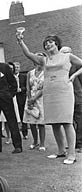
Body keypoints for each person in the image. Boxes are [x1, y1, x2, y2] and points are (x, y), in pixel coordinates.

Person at [16, 33, 82, 165]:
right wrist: (21, 41)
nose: (48, 44)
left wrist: (74, 75)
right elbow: (28, 54)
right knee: (55, 123)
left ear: (57, 43)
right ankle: (61, 151)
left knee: (67, 122)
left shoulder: (67, 56)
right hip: (49, 93)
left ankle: (72, 154)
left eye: (50, 42)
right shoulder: (44, 60)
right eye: (46, 43)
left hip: (64, 91)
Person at [60, 47, 82, 153]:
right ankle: (73, 143)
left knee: (80, 121)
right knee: (69, 122)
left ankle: (80, 143)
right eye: (62, 53)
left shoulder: (77, 66)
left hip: (78, 98)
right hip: (66, 98)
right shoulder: (61, 67)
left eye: (66, 53)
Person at [23, 53, 47, 151]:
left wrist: (34, 98)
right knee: (32, 122)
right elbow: (28, 87)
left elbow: (45, 88)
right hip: (30, 99)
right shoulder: (30, 73)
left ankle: (42, 143)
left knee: (41, 122)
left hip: (40, 99)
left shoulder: (46, 72)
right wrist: (30, 99)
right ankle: (35, 141)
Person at [0, 62, 21, 145]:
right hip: (3, 99)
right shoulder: (2, 77)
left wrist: (10, 95)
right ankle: (8, 136)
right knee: (5, 120)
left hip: (12, 98)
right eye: (9, 69)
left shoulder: (15, 78)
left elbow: (16, 88)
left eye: (12, 69)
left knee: (14, 119)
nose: (11, 70)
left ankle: (15, 136)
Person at [14, 62, 29, 139]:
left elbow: (27, 87)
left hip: (21, 98)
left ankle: (25, 133)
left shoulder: (24, 76)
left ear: (19, 68)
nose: (16, 69)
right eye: (15, 67)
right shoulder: (10, 77)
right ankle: (16, 134)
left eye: (17, 67)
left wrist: (21, 89)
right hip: (13, 98)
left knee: (23, 116)